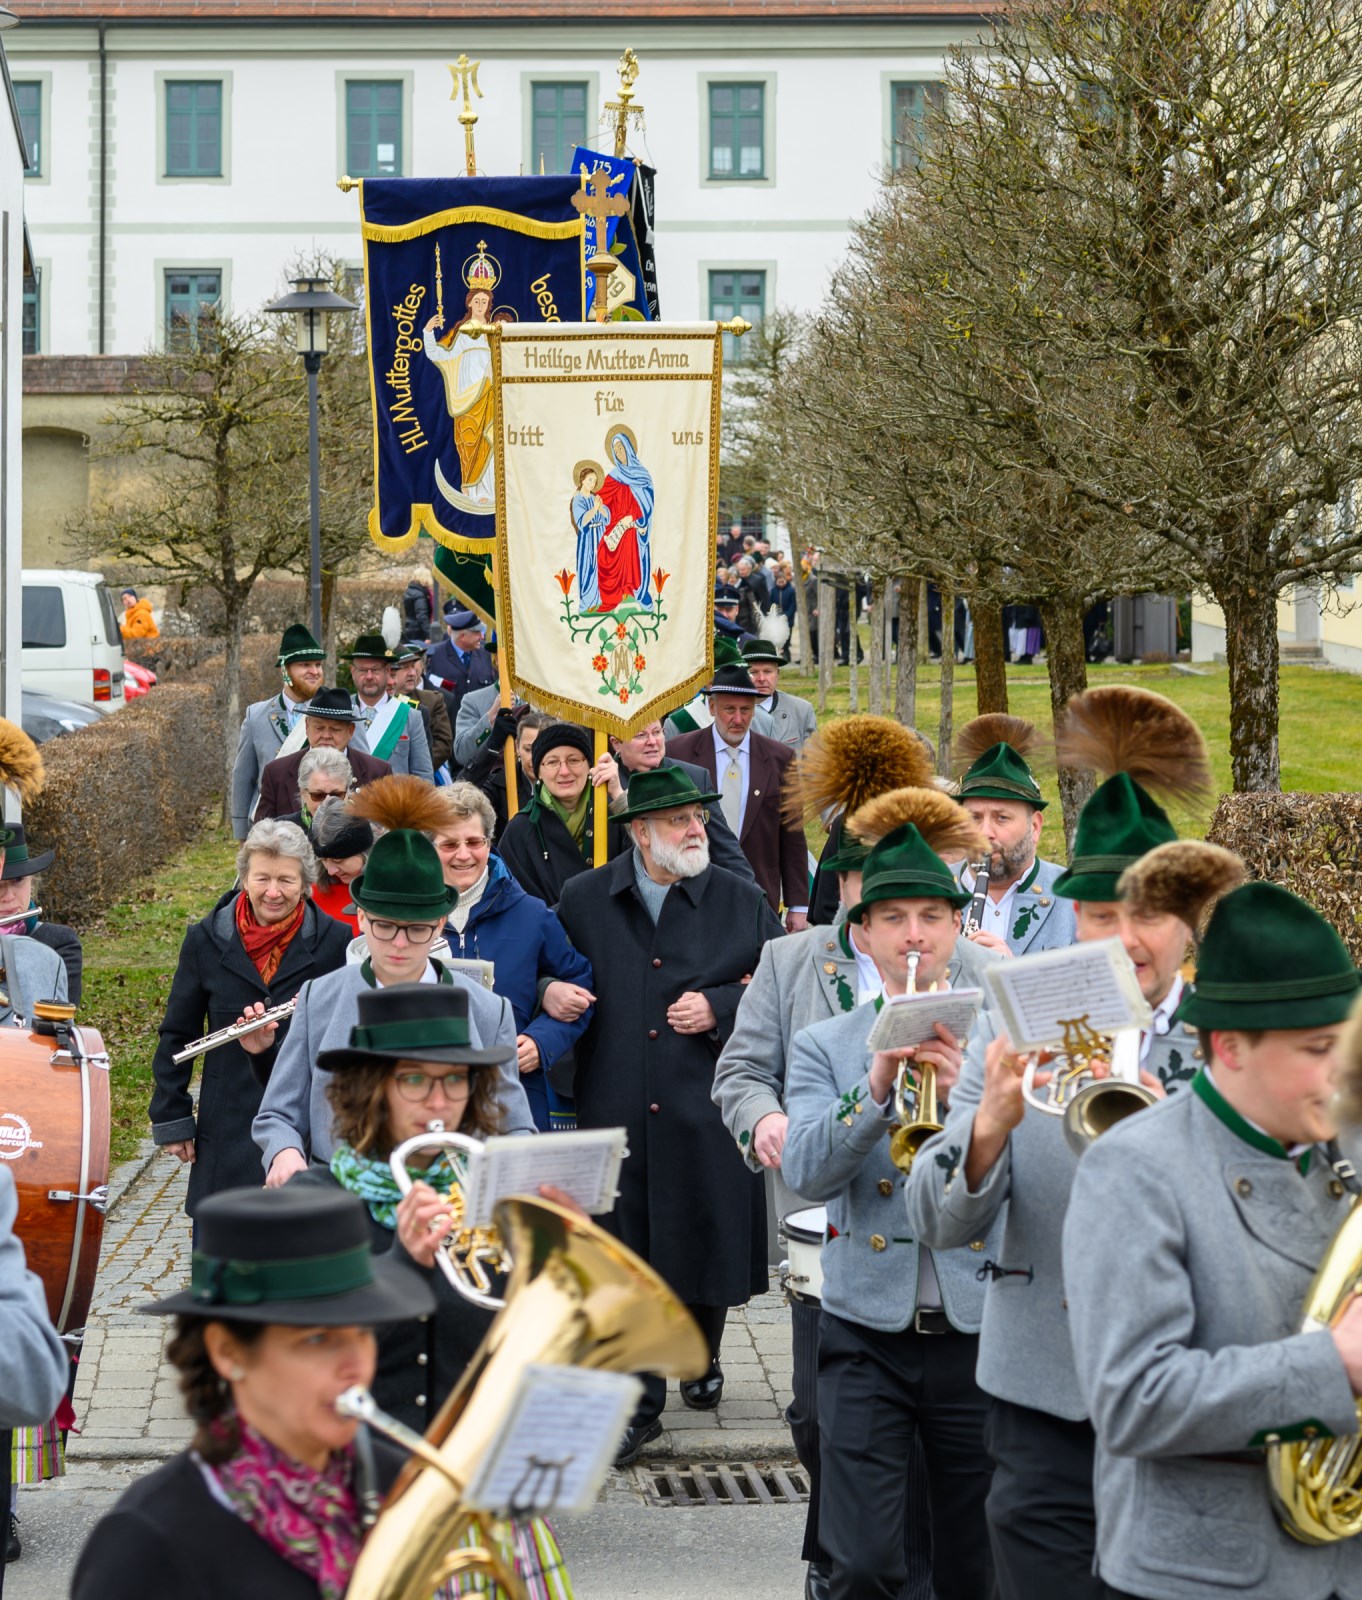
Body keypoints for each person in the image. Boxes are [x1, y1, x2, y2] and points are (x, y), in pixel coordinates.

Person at [904, 684, 1216, 1600]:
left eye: (1146, 916)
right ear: (1072, 917)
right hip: (1039, 1388)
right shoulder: (1022, 1019)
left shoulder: (1234, 1043)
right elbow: (936, 1215)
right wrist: (990, 1125)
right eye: (1101, 916)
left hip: (1188, 1393)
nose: (1124, 940)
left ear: (1188, 922)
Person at [715, 808, 1002, 1600]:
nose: (915, 936)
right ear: (863, 933)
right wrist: (874, 1086)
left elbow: (1033, 1169)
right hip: (863, 1328)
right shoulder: (830, 1042)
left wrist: (970, 1094)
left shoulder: (1001, 1030)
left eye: (933, 918)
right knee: (864, 1561)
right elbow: (805, 1169)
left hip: (977, 1326)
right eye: (894, 919)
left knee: (974, 1564)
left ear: (956, 927)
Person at [1064, 881, 1362, 1600]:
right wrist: (1335, 1363)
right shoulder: (1135, 1169)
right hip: (1203, 1574)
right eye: (1318, 1049)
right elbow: (1134, 1400)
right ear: (1228, 1046)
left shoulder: (1346, 1138)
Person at [556, 768, 784, 1466]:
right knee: (626, 1253)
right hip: (617, 1102)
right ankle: (637, 1405)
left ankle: (700, 1350)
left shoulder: (742, 900)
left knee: (703, 1233)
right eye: (682, 820)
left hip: (707, 1103)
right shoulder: (585, 898)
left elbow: (782, 990)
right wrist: (549, 989)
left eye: (700, 817)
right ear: (639, 831)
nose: (697, 830)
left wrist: (720, 1003)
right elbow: (554, 967)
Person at [69, 1184, 438, 1600]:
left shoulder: (397, 1483)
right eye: (318, 1340)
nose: (356, 1366)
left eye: (363, 1334)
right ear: (228, 1352)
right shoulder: (149, 1541)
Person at [251, 782, 535, 1190]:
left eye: (417, 930)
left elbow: (514, 1125)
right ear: (362, 917)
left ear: (439, 923)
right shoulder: (320, 999)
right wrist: (284, 1152)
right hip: (340, 1205)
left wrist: (519, 1170)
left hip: (446, 1206)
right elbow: (277, 1114)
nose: (399, 944)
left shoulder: (489, 1010)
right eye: (384, 926)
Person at [150, 820, 352, 1219]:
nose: (273, 892)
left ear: (306, 882)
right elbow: (177, 1032)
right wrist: (172, 1116)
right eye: (262, 878)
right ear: (244, 877)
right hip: (227, 1125)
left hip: (306, 1126)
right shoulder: (205, 940)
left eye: (286, 880)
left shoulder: (337, 943)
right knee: (223, 1261)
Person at [431, 783, 595, 1131]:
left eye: (474, 842)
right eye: (449, 844)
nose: (463, 855)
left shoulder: (530, 914)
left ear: (489, 842)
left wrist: (542, 1041)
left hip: (512, 1096)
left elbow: (580, 984)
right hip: (430, 1099)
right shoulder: (410, 921)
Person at [667, 662, 809, 929]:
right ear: (711, 708)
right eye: (729, 709)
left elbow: (792, 832)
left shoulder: (781, 759)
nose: (738, 719)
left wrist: (798, 905)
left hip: (759, 893)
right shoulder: (678, 754)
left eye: (746, 710)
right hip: (692, 889)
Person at [952, 713, 1077, 958]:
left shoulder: (1074, 897)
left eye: (1002, 818)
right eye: (974, 818)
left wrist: (1013, 976)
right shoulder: (931, 889)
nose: (985, 833)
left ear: (1035, 827)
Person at [595, 717, 755, 885]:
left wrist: (754, 903)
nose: (652, 742)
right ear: (616, 743)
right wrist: (618, 795)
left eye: (657, 732)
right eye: (640, 735)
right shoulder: (601, 786)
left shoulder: (693, 777)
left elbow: (727, 852)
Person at [230, 625, 332, 841]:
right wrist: (242, 836)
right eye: (305, 665)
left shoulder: (339, 713)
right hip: (271, 829)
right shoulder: (256, 716)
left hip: (325, 826)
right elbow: (243, 777)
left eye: (317, 664)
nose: (314, 671)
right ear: (284, 670)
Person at [497, 723, 601, 908]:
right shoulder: (520, 830)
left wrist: (619, 797)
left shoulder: (610, 816)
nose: (564, 771)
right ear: (539, 772)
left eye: (574, 760)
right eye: (552, 762)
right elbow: (516, 903)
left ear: (588, 765)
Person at [254, 690, 390, 825]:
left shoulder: (378, 772)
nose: (326, 736)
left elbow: (387, 831)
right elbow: (261, 834)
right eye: (319, 728)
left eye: (335, 729)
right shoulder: (276, 772)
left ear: (351, 731)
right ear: (307, 727)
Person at [0, 824, 82, 1003]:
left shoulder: (58, 942)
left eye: (18, 880)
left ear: (31, 881)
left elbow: (57, 1020)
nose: (8, 896)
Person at [344, 634, 434, 783]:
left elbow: (423, 777)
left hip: (394, 804)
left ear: (387, 671)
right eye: (362, 670)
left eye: (375, 670)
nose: (369, 676)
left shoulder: (411, 717)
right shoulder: (341, 711)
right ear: (352, 671)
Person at [464, 707, 550, 838]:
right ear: (517, 747)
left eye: (544, 750)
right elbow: (462, 795)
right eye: (528, 750)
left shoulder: (567, 783)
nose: (535, 758)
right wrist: (492, 744)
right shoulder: (500, 785)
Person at [308, 799, 374, 936]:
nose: (330, 871)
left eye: (339, 860)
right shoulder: (312, 894)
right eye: (324, 860)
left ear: (364, 853)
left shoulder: (391, 891)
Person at [387, 642, 453, 774]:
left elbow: (443, 745)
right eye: (405, 668)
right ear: (390, 671)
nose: (412, 673)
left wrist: (417, 768)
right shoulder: (377, 702)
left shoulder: (432, 700)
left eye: (413, 667)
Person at [741, 638, 817, 752]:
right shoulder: (729, 712)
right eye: (753, 672)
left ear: (777, 674)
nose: (761, 679)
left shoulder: (802, 710)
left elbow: (813, 763)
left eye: (767, 671)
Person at [426, 607, 496, 729]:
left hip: (483, 730)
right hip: (448, 730)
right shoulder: (434, 656)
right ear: (463, 636)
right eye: (477, 633)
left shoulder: (487, 654)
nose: (482, 637)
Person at [279, 747, 354, 832]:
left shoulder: (366, 834)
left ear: (348, 792)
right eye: (319, 795)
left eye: (336, 794)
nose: (327, 802)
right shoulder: (279, 832)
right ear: (303, 793)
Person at [401, 564, 435, 643]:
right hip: (419, 633)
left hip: (410, 628)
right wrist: (429, 635)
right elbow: (422, 616)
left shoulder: (410, 592)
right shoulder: (420, 594)